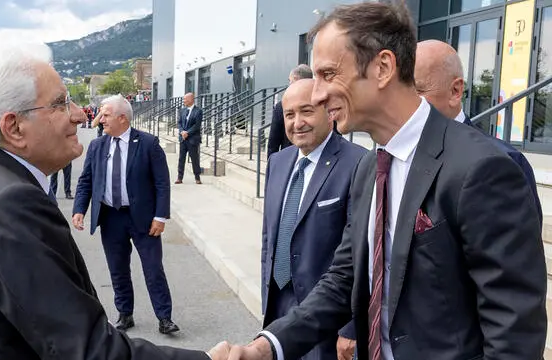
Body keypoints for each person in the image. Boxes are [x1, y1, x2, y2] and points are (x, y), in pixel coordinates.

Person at [226, 3, 546, 360]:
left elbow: (513, 335)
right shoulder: (368, 170)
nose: (316, 94)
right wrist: (267, 346)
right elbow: (342, 281)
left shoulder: (482, 169)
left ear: (382, 68)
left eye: (328, 74)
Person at [0, 40, 227, 360]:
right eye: (60, 103)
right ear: (14, 128)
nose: (81, 115)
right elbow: (88, 351)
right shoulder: (10, 204)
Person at [262, 78, 366, 360]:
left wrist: (351, 327)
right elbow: (268, 238)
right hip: (278, 305)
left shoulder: (359, 164)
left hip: (326, 318)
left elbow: (360, 257)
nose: (297, 123)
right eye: (289, 114)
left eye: (306, 111)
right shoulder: (278, 162)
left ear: (329, 112)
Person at [73, 94, 180, 335]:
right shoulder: (97, 146)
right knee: (118, 269)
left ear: (123, 118)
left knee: (153, 269)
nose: (101, 120)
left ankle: (165, 318)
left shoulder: (148, 144)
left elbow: (162, 183)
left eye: (106, 115)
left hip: (143, 218)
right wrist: (80, 209)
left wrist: (160, 216)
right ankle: (125, 314)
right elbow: (86, 180)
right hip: (111, 217)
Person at [414, 39, 543, 225]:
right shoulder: (395, 154)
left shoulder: (502, 162)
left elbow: (515, 251)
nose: (405, 103)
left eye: (417, 90)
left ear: (455, 91)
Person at [267, 65, 313, 158]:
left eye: (290, 80)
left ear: (295, 79)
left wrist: (272, 168)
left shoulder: (282, 106)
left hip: (289, 162)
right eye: (290, 115)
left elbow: (273, 142)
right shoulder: (323, 102)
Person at [175, 92, 202, 184]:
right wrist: (182, 131)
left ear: (191, 99)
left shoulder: (198, 111)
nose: (184, 101)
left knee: (194, 158)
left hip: (192, 139)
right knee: (181, 158)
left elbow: (197, 125)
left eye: (185, 99)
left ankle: (197, 177)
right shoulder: (182, 110)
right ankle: (179, 177)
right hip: (183, 138)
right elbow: (179, 123)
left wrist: (188, 132)